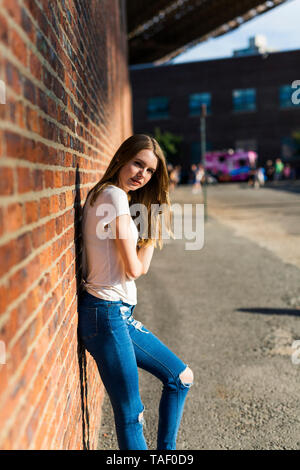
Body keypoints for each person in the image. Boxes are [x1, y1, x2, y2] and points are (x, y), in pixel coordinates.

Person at [78, 134, 194, 450]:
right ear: (122, 159)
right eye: (137, 163)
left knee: (180, 377)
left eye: (149, 171)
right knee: (132, 416)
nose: (141, 174)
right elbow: (134, 269)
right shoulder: (114, 196)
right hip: (105, 313)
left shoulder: (114, 197)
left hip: (118, 315)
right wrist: (154, 231)